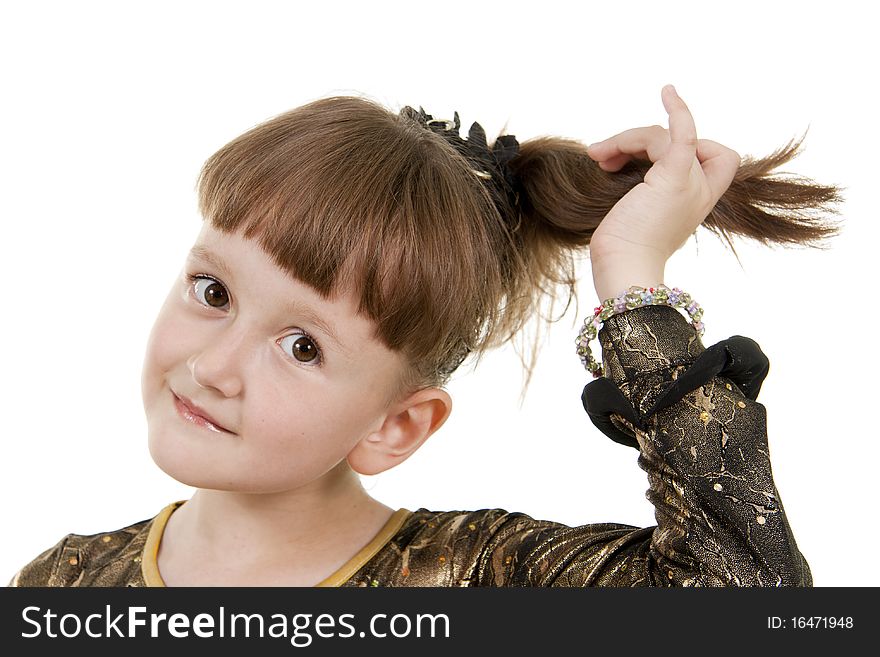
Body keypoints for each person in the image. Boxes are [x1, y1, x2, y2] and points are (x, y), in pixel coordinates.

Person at [9, 85, 840, 587]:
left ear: (396, 425)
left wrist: (631, 276)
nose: (213, 365)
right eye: (214, 290)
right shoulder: (65, 583)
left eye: (304, 346)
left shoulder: (482, 578)